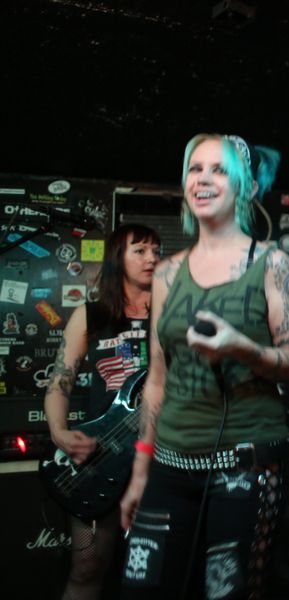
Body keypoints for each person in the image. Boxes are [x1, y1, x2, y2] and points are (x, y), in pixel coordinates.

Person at [118, 133, 289, 600]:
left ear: (245, 187)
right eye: (195, 168)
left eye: (219, 170)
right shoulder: (166, 273)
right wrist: (140, 474)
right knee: (144, 591)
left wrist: (240, 347)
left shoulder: (271, 263)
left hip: (243, 466)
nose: (203, 179)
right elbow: (157, 379)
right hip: (168, 465)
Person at [44, 223, 161, 600]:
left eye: (156, 250)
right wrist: (59, 432)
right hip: (103, 456)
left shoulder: (172, 313)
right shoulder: (91, 315)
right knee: (87, 567)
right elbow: (59, 383)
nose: (152, 258)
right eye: (140, 250)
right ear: (116, 259)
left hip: (160, 459)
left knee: (154, 572)